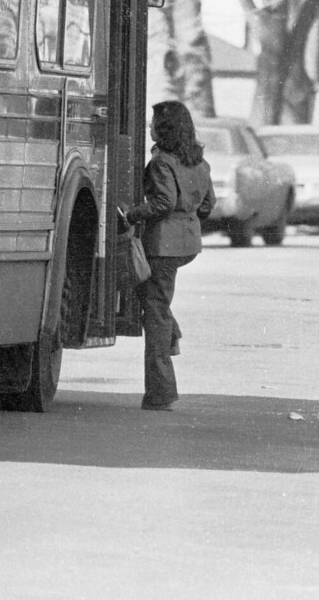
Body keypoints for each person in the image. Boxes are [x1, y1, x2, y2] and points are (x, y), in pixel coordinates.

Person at [123, 101, 215, 411]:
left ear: (164, 130)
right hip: (186, 244)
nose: (149, 127)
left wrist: (132, 214)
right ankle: (171, 334)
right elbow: (207, 205)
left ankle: (160, 393)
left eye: (153, 124)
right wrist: (185, 222)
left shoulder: (162, 163)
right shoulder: (200, 163)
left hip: (162, 246)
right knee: (154, 299)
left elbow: (163, 203)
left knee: (155, 311)